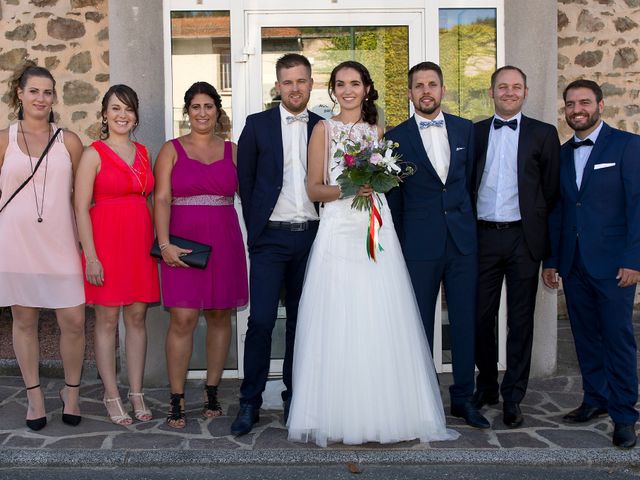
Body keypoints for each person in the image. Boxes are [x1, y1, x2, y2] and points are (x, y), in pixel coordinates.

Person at [287, 60, 458, 447]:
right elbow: (314, 188)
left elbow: (388, 182)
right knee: (338, 320)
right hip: (338, 232)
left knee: (379, 317)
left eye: (355, 83)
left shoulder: (379, 132)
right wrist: (351, 188)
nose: (348, 90)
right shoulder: (322, 130)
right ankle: (337, 413)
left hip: (375, 231)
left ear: (367, 88)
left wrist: (374, 183)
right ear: (332, 90)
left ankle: (388, 410)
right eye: (341, 84)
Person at [386, 61, 488, 429]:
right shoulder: (395, 138)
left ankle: (464, 398)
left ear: (443, 90)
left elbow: (470, 184)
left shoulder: (466, 130)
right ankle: (422, 398)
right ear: (410, 93)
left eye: (432, 84)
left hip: (462, 243)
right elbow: (394, 201)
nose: (426, 91)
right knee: (418, 325)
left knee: (464, 323)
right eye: (418, 85)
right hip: (419, 245)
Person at [542, 79, 640, 449]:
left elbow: (637, 206)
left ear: (600, 105)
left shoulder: (628, 146)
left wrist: (634, 259)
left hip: (616, 265)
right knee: (585, 338)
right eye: (570, 104)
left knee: (618, 340)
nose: (576, 109)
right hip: (575, 263)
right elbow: (559, 211)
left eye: (584, 102)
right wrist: (552, 260)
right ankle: (595, 399)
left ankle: (625, 415)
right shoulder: (564, 153)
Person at [232, 53, 322, 436]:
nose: (295, 88)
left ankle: (295, 398)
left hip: (315, 239)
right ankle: (250, 402)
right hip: (271, 239)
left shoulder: (325, 126)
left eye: (301, 81)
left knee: (305, 324)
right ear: (277, 86)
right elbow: (245, 181)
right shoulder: (257, 125)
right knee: (262, 321)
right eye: (288, 82)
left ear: (311, 84)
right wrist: (257, 231)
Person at [154, 81, 248, 429]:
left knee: (221, 316)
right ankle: (176, 398)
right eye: (196, 106)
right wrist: (164, 245)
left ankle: (212, 390)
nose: (203, 113)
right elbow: (161, 198)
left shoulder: (233, 150)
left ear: (217, 111)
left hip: (224, 242)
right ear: (187, 111)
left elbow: (251, 193)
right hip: (181, 244)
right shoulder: (171, 149)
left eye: (209, 106)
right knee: (183, 319)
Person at [471, 66, 560, 428]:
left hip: (524, 238)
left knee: (521, 321)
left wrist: (549, 250)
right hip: (482, 237)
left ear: (525, 91)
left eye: (516, 87)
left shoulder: (544, 133)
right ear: (491, 92)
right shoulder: (474, 132)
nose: (509, 92)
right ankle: (487, 385)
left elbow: (552, 194)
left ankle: (513, 396)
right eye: (502, 87)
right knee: (480, 317)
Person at [0, 62, 85, 430]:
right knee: (24, 318)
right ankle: (34, 397)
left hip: (61, 242)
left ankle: (72, 392)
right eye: (34, 90)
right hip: (17, 244)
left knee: (74, 320)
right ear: (19, 93)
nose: (41, 98)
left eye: (47, 92)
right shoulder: (4, 139)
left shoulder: (70, 141)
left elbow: (83, 198)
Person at [75, 84, 159, 426]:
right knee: (107, 321)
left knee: (137, 318)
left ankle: (136, 392)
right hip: (105, 246)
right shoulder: (93, 153)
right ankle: (111, 394)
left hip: (139, 245)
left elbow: (149, 200)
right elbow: (80, 208)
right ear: (105, 114)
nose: (122, 115)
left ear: (135, 115)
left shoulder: (144, 152)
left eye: (128, 109)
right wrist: (91, 256)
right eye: (115, 109)